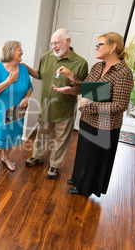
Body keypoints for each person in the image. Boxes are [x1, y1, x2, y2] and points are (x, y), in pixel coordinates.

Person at [54, 32, 133, 197]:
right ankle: (78, 179)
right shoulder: (98, 66)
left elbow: (120, 106)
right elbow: (87, 87)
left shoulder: (124, 73)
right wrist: (70, 75)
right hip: (88, 119)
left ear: (112, 47)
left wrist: (91, 104)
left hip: (105, 125)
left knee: (94, 158)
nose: (96, 47)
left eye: (100, 44)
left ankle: (85, 188)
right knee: (83, 153)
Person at [24, 29, 88, 179]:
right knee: (42, 135)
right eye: (52, 43)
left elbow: (81, 89)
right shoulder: (47, 57)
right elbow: (40, 75)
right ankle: (38, 156)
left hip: (64, 110)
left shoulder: (80, 63)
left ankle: (54, 165)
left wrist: (68, 88)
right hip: (46, 107)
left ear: (68, 41)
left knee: (61, 139)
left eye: (57, 42)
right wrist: (25, 67)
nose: (54, 46)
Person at [0, 41, 33, 175]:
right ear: (10, 52)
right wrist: (8, 82)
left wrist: (26, 97)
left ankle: (6, 158)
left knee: (10, 134)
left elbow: (29, 87)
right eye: (19, 49)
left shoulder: (23, 69)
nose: (22, 52)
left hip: (16, 109)